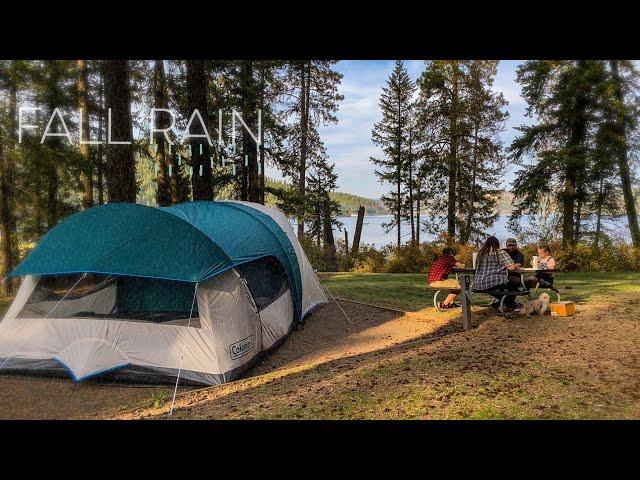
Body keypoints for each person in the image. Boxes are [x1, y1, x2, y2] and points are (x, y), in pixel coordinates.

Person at [474, 236, 521, 309]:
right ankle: (509, 303)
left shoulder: (480, 254)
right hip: (493, 281)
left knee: (506, 284)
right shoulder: (500, 252)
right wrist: (515, 265)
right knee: (514, 283)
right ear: (497, 244)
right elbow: (511, 268)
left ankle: (503, 303)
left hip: (478, 283)